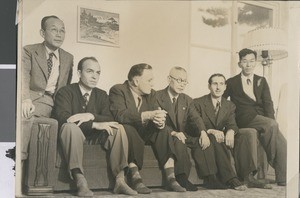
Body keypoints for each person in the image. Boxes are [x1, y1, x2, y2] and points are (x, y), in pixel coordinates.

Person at [53, 57, 137, 196]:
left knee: (118, 128)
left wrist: (91, 115)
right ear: (79, 73)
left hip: (95, 138)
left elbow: (110, 118)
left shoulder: (102, 94)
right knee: (70, 127)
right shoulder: (65, 91)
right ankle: (80, 181)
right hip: (74, 136)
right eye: (90, 71)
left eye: (98, 72)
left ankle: (120, 181)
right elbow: (64, 118)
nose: (94, 76)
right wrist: (94, 124)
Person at [157, 67, 245, 191]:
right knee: (181, 141)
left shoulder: (186, 99)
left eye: (184, 81)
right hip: (165, 134)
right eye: (179, 80)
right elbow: (156, 122)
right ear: (169, 79)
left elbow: (196, 118)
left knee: (206, 140)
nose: (182, 84)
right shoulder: (156, 96)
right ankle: (182, 178)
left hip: (184, 135)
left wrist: (204, 132)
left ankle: (213, 178)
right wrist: (173, 132)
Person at [109, 63, 186, 194]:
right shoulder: (118, 90)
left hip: (144, 133)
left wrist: (159, 121)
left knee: (165, 130)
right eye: (149, 80)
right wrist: (147, 115)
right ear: (136, 81)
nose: (153, 84)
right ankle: (135, 178)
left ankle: (171, 178)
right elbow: (120, 115)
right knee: (128, 127)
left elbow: (156, 113)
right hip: (128, 133)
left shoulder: (151, 94)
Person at [194, 73, 272, 189]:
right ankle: (231, 179)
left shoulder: (230, 105)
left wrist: (231, 130)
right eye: (215, 83)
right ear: (209, 86)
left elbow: (232, 124)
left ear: (225, 87)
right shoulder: (198, 102)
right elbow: (193, 124)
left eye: (221, 84)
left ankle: (247, 177)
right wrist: (210, 131)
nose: (218, 87)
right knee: (215, 139)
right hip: (206, 135)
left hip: (221, 135)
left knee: (244, 134)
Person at [223, 48, 287, 186]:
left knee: (282, 140)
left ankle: (283, 178)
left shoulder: (261, 80)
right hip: (244, 118)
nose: (248, 65)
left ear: (256, 62)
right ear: (240, 63)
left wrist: (272, 121)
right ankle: (274, 162)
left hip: (262, 119)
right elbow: (221, 101)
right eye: (245, 61)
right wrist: (228, 123)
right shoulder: (232, 82)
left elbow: (268, 103)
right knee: (271, 126)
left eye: (252, 61)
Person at [21, 15, 73, 160]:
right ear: (42, 33)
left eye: (62, 31)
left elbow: (66, 87)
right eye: (54, 30)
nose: (59, 34)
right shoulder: (29, 51)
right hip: (30, 98)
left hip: (51, 101)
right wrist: (25, 99)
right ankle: (19, 160)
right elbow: (23, 77)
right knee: (24, 115)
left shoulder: (68, 58)